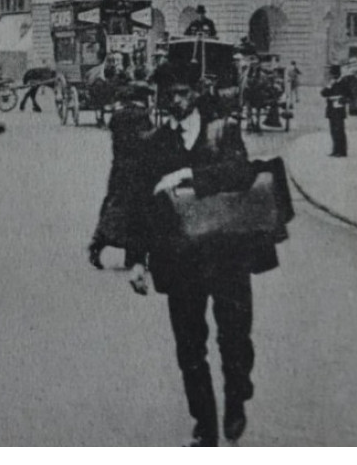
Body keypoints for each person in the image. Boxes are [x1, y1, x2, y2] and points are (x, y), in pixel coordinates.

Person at [126, 79, 278, 447]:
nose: (177, 98)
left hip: (227, 254)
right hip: (180, 260)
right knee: (190, 349)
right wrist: (136, 260)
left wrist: (191, 176)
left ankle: (237, 396)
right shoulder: (154, 142)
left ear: (196, 94)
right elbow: (138, 203)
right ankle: (205, 428)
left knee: (235, 339)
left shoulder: (223, 131)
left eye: (183, 91)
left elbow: (242, 174)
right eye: (171, 93)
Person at [89, 82, 156, 270]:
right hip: (138, 171)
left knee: (115, 206)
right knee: (140, 212)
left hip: (119, 168)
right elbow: (145, 142)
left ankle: (98, 243)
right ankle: (135, 256)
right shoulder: (141, 116)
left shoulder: (117, 116)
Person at [321, 66, 350, 157]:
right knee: (333, 130)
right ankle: (335, 150)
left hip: (339, 108)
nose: (332, 76)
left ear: (338, 74)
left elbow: (350, 96)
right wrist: (329, 86)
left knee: (340, 130)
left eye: (333, 74)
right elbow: (323, 93)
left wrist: (342, 99)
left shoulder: (344, 83)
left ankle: (342, 151)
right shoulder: (331, 83)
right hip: (331, 109)